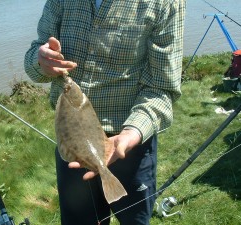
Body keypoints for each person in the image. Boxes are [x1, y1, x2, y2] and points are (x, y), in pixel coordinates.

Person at [24, 0, 185, 224]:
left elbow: (161, 88)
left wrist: (131, 133)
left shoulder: (166, 3)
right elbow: (36, 55)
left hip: (128, 146)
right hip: (74, 145)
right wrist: (41, 61)